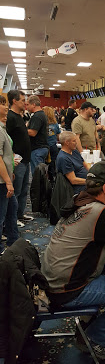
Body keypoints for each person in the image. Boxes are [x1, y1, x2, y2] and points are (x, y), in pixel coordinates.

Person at [41, 162, 105, 359]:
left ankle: (93, 324)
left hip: (52, 280)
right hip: (68, 289)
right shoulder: (99, 213)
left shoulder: (79, 200)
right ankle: (95, 339)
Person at [6, 90, 33, 227]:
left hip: (26, 159)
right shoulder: (10, 118)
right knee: (16, 191)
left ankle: (20, 214)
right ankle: (13, 218)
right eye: (23, 100)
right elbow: (6, 141)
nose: (25, 103)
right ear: (14, 101)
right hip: (17, 162)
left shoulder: (20, 117)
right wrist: (12, 158)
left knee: (23, 190)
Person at [0, 96, 19, 254]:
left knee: (12, 208)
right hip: (1, 181)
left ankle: (13, 240)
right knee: (1, 216)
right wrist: (7, 181)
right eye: (2, 104)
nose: (6, 107)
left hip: (5, 176)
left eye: (5, 103)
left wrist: (10, 171)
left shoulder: (2, 128)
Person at [27, 95, 49, 175]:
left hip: (37, 149)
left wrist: (21, 130)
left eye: (27, 105)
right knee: (41, 174)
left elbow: (33, 133)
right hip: (41, 148)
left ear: (33, 104)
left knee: (37, 176)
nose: (27, 107)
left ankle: (38, 188)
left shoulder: (37, 116)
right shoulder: (42, 114)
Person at [43, 106, 61, 177]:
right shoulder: (55, 124)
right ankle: (53, 179)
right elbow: (58, 136)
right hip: (53, 146)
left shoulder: (42, 124)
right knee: (53, 164)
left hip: (44, 147)